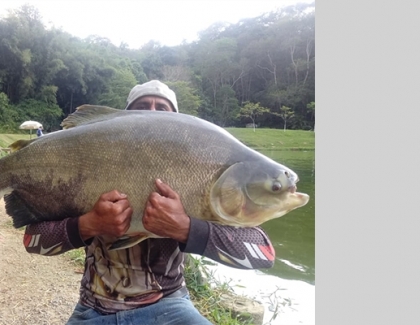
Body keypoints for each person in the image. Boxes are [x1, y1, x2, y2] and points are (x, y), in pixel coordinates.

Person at [23, 80, 275, 325]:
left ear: (178, 121)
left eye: (162, 108)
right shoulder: (91, 163)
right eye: (143, 105)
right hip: (93, 309)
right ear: (125, 117)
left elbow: (263, 254)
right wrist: (88, 224)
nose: (152, 112)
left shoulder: (197, 175)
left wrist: (185, 228)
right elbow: (32, 241)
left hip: (170, 306)